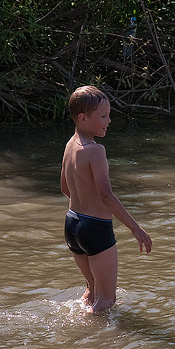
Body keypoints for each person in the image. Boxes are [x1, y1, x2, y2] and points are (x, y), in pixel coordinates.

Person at [61, 85, 152, 313]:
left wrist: (83, 208)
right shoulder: (95, 150)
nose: (109, 120)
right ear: (83, 118)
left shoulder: (70, 146)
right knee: (107, 300)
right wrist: (135, 228)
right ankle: (90, 338)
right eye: (103, 116)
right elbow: (106, 195)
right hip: (95, 228)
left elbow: (64, 187)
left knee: (92, 291)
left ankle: (83, 325)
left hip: (72, 224)